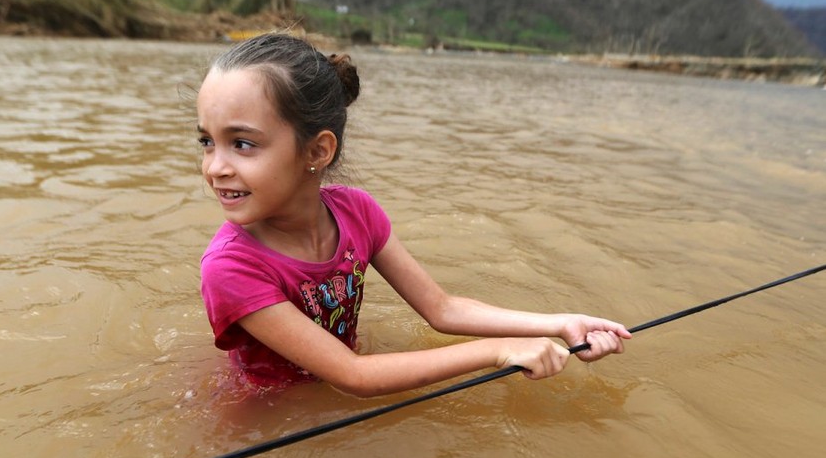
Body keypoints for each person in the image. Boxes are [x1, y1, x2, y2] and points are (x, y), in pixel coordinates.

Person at [197, 33, 629, 397]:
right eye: (207, 142)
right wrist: (502, 349)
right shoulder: (231, 266)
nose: (216, 167)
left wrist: (560, 324)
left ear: (317, 150)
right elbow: (354, 375)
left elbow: (443, 309)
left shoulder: (356, 212)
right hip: (266, 410)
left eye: (242, 144)